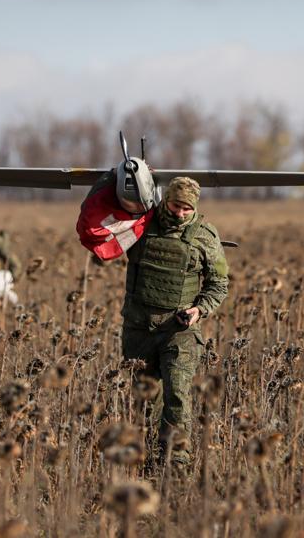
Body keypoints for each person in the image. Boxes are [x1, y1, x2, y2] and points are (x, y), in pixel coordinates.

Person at [120, 176, 229, 469]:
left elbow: (219, 284)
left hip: (178, 331)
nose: (180, 213)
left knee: (178, 395)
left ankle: (176, 463)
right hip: (139, 328)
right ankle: (140, 458)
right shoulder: (140, 225)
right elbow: (103, 235)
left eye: (186, 209)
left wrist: (199, 310)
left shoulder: (205, 235)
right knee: (143, 396)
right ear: (165, 200)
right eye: (175, 205)